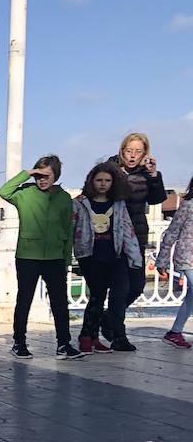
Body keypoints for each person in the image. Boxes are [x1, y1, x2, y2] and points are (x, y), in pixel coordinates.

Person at [0, 155, 85, 360]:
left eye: (46, 176)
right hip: (28, 256)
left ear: (55, 176)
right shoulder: (24, 193)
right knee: (25, 299)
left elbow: (68, 229)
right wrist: (26, 173)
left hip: (55, 257)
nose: (42, 180)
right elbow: (4, 191)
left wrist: (66, 260)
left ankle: (63, 345)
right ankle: (19, 343)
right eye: (39, 175)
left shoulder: (64, 198)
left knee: (59, 302)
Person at [72, 162, 142, 354]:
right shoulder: (80, 203)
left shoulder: (118, 204)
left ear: (113, 183)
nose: (103, 184)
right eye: (99, 180)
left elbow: (128, 229)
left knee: (119, 292)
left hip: (115, 255)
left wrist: (135, 257)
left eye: (107, 180)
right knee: (97, 295)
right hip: (90, 256)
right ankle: (87, 336)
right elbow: (71, 227)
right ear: (92, 181)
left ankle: (97, 336)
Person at [106, 132, 167, 322]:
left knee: (137, 286)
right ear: (122, 150)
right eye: (129, 150)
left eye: (138, 152)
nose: (132, 155)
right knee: (120, 286)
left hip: (138, 234)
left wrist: (154, 176)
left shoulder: (147, 174)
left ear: (144, 154)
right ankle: (117, 332)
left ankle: (108, 320)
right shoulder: (110, 169)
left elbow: (157, 199)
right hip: (113, 234)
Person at [156, 175, 193, 348]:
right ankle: (174, 332)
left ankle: (175, 332)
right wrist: (162, 260)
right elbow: (171, 233)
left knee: (192, 296)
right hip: (188, 256)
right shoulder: (188, 206)